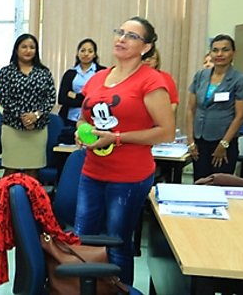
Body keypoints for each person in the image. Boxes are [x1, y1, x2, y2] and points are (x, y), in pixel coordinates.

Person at [74, 16, 175, 286]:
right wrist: (80, 130)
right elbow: (85, 117)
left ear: (146, 47)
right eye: (120, 32)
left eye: (132, 36)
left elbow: (165, 131)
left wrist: (116, 138)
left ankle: (119, 291)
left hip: (129, 177)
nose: (121, 38)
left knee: (117, 242)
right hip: (92, 171)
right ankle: (87, 289)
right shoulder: (98, 78)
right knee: (83, 236)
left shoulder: (151, 81)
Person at [185, 34, 243, 181]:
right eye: (215, 50)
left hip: (223, 143)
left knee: (219, 185)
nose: (219, 54)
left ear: (233, 53)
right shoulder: (200, 75)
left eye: (225, 50)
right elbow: (190, 109)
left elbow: (240, 116)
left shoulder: (240, 79)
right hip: (199, 142)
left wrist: (223, 144)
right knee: (200, 183)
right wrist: (191, 141)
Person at [0, 33, 56, 179]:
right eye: (24, 47)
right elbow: (3, 98)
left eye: (32, 47)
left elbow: (51, 98)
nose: (28, 50)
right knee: (11, 170)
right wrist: (23, 116)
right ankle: (5, 201)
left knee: (33, 171)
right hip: (12, 128)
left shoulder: (44, 72)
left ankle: (30, 201)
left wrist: (35, 116)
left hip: (38, 129)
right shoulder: (6, 72)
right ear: (16, 49)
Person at [57, 38, 105, 144]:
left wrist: (75, 96)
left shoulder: (102, 72)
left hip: (94, 121)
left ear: (95, 54)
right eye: (82, 50)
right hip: (70, 120)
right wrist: (86, 99)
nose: (86, 54)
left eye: (90, 51)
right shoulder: (70, 73)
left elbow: (102, 98)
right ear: (77, 53)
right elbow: (62, 99)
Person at [142, 46, 179, 111]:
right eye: (144, 58)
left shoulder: (166, 77)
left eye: (151, 58)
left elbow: (173, 102)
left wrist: (165, 118)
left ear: (157, 62)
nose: (147, 60)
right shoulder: (131, 76)